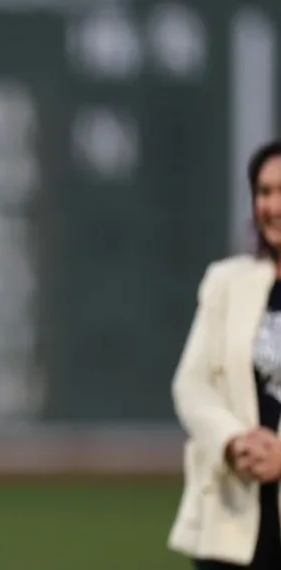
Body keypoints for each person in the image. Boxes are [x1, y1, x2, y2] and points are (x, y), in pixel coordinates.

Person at [168, 139, 281, 569]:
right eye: (264, 192)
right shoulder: (226, 282)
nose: (273, 205)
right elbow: (192, 385)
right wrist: (234, 443)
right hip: (233, 521)